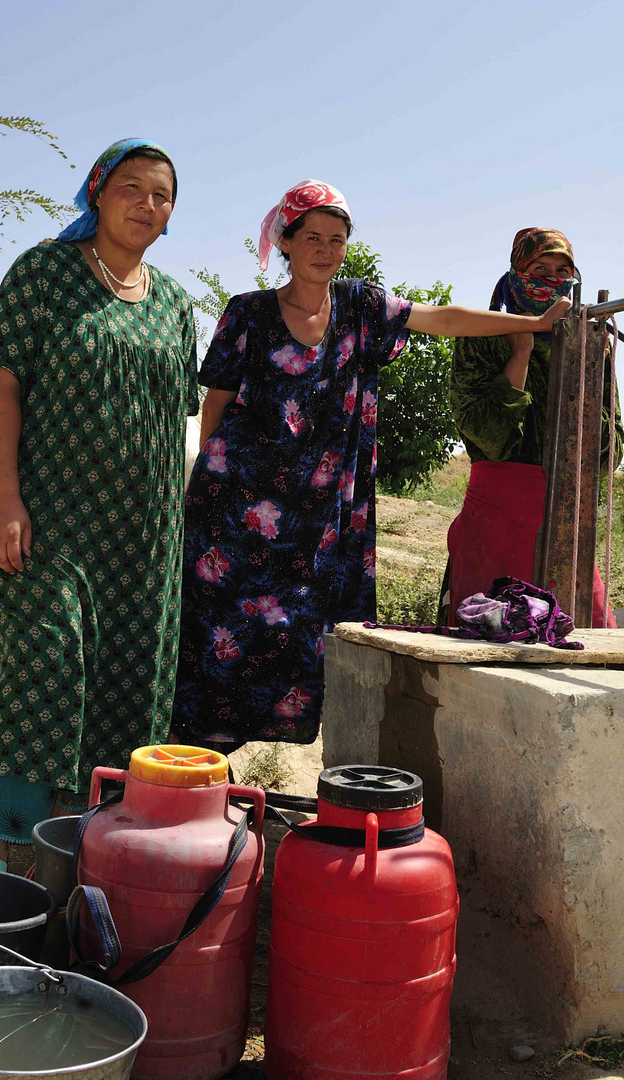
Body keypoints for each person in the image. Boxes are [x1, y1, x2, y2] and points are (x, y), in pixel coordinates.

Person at [172, 181, 570, 754]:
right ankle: (198, 767)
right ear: (286, 241)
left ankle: (285, 778)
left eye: (337, 239)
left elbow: (442, 318)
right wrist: (203, 492)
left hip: (323, 519)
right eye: (312, 237)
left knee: (313, 640)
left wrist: (529, 325)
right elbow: (217, 401)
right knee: (220, 640)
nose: (326, 249)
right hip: (240, 515)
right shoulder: (250, 314)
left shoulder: (362, 306)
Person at [0, 139, 198, 870]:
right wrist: (5, 501)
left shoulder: (176, 306)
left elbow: (175, 419)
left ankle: (82, 877)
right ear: (96, 194)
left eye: (161, 195)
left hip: (143, 541)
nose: (147, 205)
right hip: (48, 525)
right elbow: (1, 389)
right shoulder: (43, 275)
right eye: (132, 187)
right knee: (41, 674)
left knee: (129, 693)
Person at [444, 227, 623, 629]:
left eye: (562, 271)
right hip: (496, 522)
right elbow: (488, 436)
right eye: (539, 268)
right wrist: (521, 352)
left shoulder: (591, 344)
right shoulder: (481, 336)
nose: (552, 280)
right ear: (516, 272)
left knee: (590, 644)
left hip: (568, 525)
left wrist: (590, 364)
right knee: (492, 647)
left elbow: (610, 452)